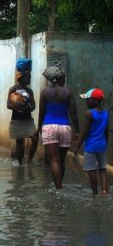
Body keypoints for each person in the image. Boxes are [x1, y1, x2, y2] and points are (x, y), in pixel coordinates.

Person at [36, 61, 79, 190]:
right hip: (65, 127)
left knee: (54, 161)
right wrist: (77, 131)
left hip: (49, 127)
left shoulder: (44, 92)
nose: (65, 80)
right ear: (60, 79)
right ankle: (60, 186)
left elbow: (42, 112)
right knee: (61, 160)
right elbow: (73, 112)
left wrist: (39, 127)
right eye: (64, 78)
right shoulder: (68, 92)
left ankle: (58, 188)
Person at [74, 88, 109, 195]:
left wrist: (77, 145)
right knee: (102, 168)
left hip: (91, 146)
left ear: (96, 101)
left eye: (88, 99)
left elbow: (85, 131)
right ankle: (104, 189)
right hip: (101, 145)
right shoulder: (106, 113)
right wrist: (105, 143)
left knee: (91, 169)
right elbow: (106, 131)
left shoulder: (89, 113)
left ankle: (95, 192)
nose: (86, 101)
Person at [7, 58, 39, 165]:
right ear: (22, 78)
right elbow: (8, 105)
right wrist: (18, 106)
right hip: (17, 120)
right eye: (28, 77)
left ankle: (29, 160)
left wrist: (28, 108)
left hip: (28, 120)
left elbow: (33, 105)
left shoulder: (29, 91)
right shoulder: (13, 89)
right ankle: (20, 164)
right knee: (19, 143)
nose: (30, 79)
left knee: (35, 137)